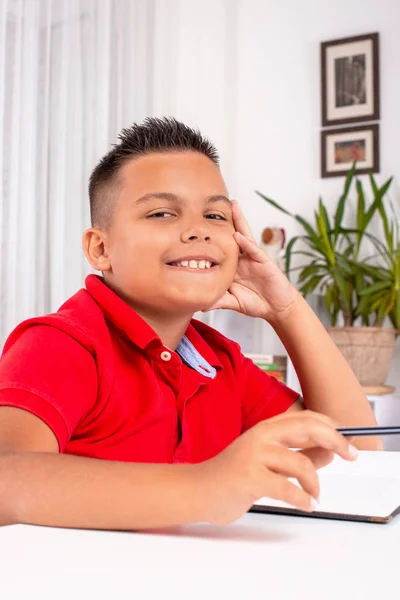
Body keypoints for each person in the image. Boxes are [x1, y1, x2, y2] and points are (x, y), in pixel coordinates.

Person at [0, 117, 381, 531]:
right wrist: (205, 485)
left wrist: (285, 308)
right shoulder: (62, 343)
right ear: (101, 247)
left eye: (216, 216)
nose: (198, 230)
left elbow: (356, 453)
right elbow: (7, 478)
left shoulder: (219, 361)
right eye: (162, 212)